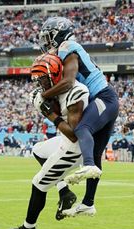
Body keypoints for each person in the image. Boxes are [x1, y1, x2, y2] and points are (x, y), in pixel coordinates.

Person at [7, 54, 90, 229]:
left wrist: (49, 114)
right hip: (67, 141)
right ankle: (64, 191)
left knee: (39, 184)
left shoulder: (76, 92)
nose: (40, 83)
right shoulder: (60, 89)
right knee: (38, 149)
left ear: (54, 74)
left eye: (42, 78)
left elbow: (74, 135)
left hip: (76, 147)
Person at [36, 17, 119, 189]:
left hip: (103, 96)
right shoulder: (68, 49)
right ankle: (88, 204)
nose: (46, 42)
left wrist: (44, 95)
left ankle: (87, 165)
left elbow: (68, 81)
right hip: (105, 98)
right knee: (96, 153)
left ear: (58, 35)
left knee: (82, 129)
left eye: (49, 37)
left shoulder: (67, 48)